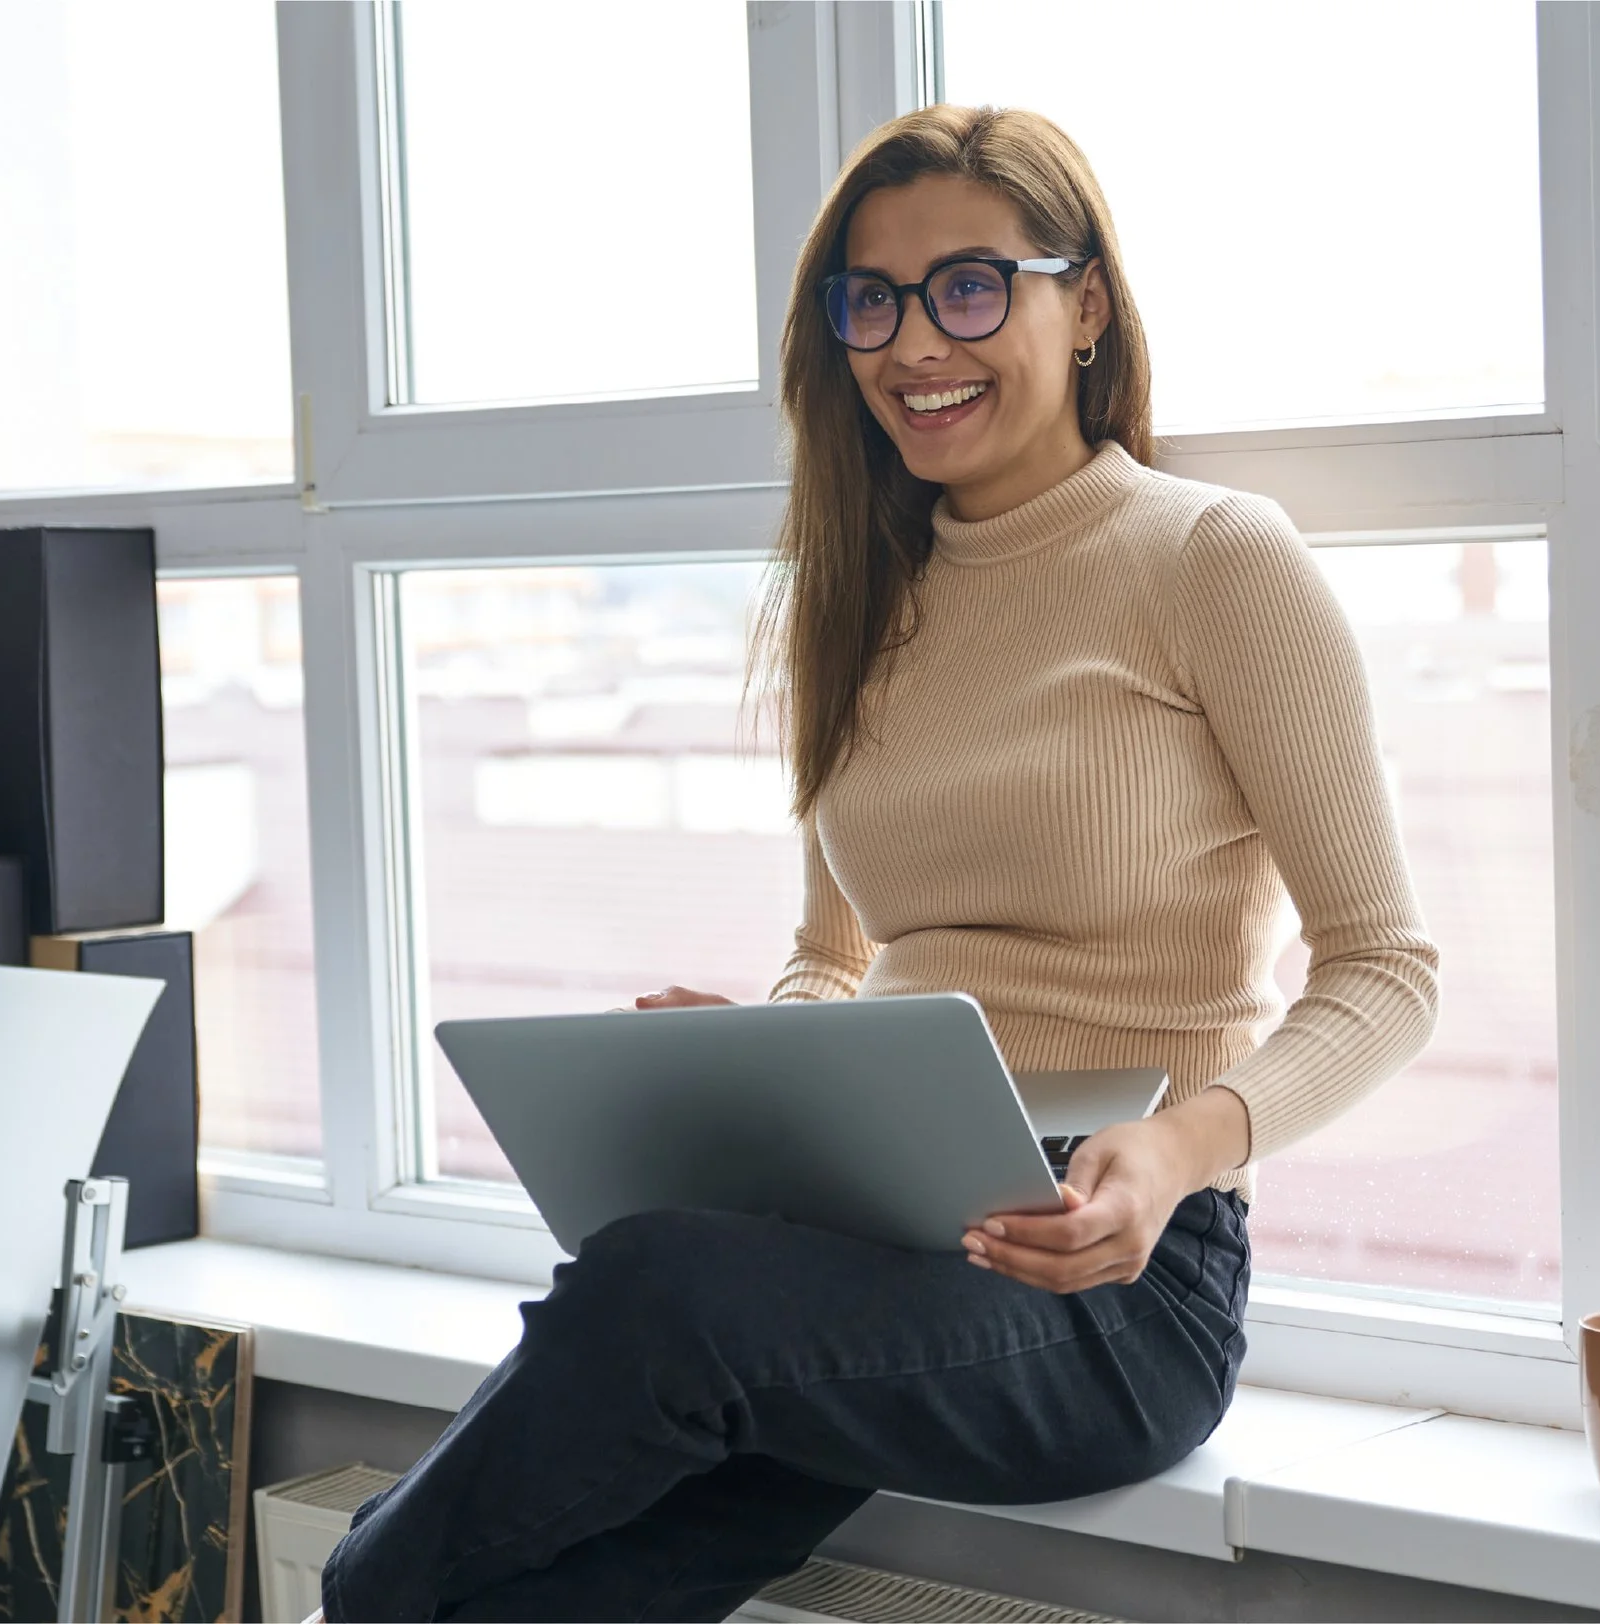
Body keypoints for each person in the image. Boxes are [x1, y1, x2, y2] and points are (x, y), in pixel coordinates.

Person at [316, 103, 1440, 1622]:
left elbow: (1387, 969)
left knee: (652, 1288)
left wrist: (1183, 1149)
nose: (916, 342)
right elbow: (835, 953)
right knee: (575, 1589)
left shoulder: (1216, 558)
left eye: (970, 286)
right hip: (879, 1221)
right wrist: (771, 1060)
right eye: (872, 300)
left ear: (1086, 303)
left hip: (1110, 1284)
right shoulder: (866, 600)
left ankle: (339, 1595)